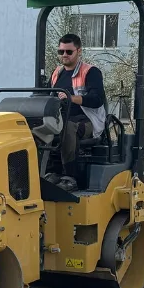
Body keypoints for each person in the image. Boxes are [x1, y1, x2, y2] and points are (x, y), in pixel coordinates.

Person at [48, 33, 106, 191]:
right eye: (61, 51)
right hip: (60, 119)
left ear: (79, 51)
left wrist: (71, 98)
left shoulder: (91, 72)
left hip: (87, 121)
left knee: (68, 128)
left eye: (69, 51)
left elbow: (97, 99)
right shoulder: (57, 73)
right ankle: (49, 172)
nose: (64, 55)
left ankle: (70, 177)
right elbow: (47, 95)